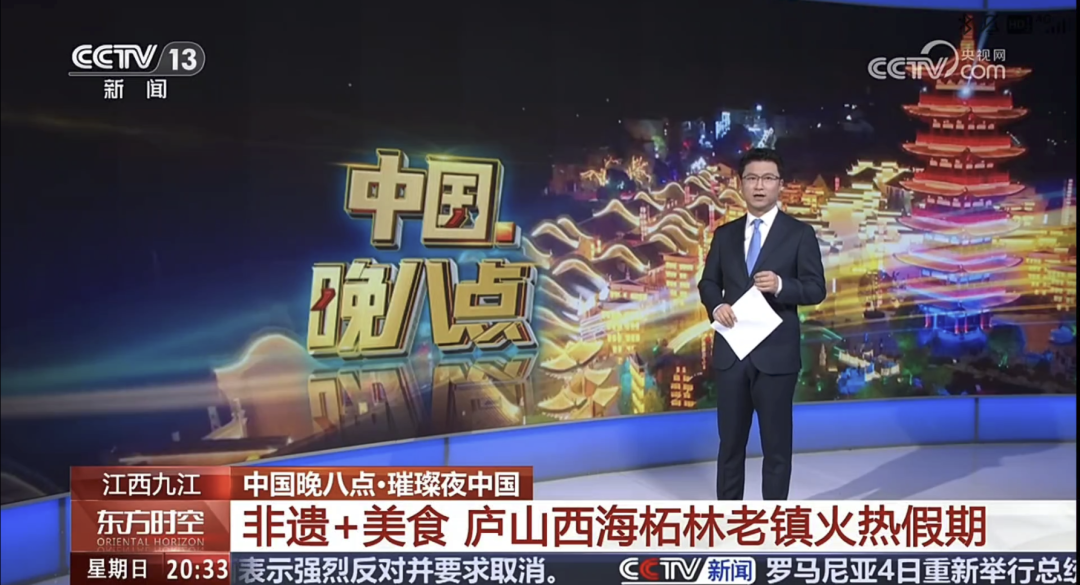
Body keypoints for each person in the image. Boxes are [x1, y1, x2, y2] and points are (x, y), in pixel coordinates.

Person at [698, 148, 826, 500]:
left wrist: (783, 285)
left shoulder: (799, 234)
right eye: (752, 178)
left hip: (776, 357)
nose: (759, 186)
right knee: (730, 447)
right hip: (732, 354)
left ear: (780, 185)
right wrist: (716, 305)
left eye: (768, 178)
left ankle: (774, 523)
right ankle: (729, 520)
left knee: (777, 449)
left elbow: (816, 288)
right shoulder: (724, 235)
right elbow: (708, 283)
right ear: (740, 184)